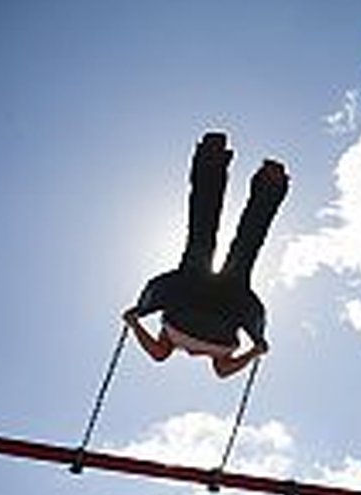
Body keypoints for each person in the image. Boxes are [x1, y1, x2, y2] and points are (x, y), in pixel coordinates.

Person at [122, 132, 289, 378]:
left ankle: (270, 183)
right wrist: (133, 321)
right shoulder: (172, 337)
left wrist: (255, 351)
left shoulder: (209, 350)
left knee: (246, 246)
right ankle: (212, 157)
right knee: (202, 231)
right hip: (194, 297)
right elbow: (159, 354)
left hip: (225, 308)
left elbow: (221, 370)